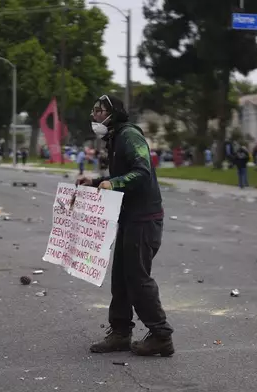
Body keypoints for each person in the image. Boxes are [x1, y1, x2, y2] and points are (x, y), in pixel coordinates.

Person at [77, 94, 174, 357]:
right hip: (130, 218)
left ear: (113, 113)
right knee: (120, 276)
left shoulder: (129, 136)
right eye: (94, 109)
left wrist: (113, 184)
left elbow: (142, 172)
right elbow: (119, 175)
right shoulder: (114, 138)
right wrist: (97, 181)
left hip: (144, 219)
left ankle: (161, 335)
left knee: (137, 278)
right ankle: (120, 332)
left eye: (100, 110)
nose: (94, 115)